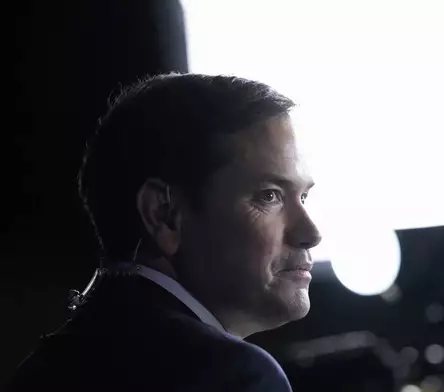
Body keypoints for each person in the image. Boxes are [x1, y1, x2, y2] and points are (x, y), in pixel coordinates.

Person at [7, 73, 322, 391]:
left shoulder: (41, 367)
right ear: (164, 214)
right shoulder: (233, 374)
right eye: (269, 195)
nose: (311, 233)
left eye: (304, 197)